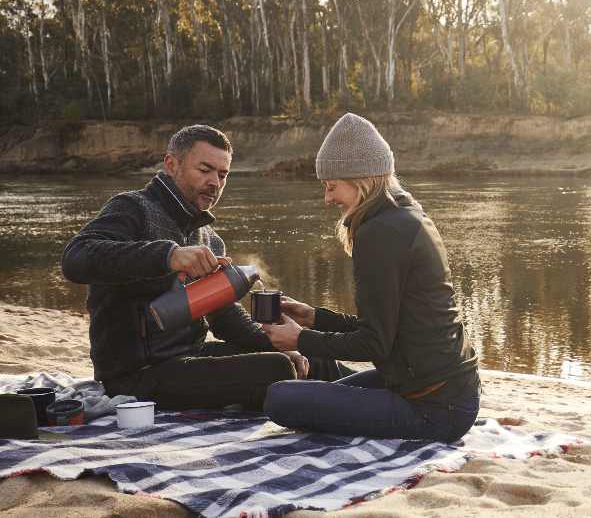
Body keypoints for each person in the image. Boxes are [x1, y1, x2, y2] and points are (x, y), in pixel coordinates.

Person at [61, 125, 330, 411]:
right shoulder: (132, 208)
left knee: (308, 352)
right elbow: (76, 258)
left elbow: (223, 317)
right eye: (205, 170)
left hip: (193, 356)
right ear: (171, 164)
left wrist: (275, 341)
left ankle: (373, 396)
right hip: (135, 375)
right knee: (278, 369)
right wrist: (170, 255)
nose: (215, 182)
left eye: (222, 175)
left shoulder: (210, 239)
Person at [261, 113, 480, 442]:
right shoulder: (405, 214)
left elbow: (373, 343)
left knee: (280, 398)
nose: (327, 198)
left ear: (360, 179)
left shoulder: (380, 233)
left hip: (434, 408)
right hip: (447, 390)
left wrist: (299, 339)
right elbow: (386, 329)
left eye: (332, 186)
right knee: (313, 392)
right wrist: (315, 318)